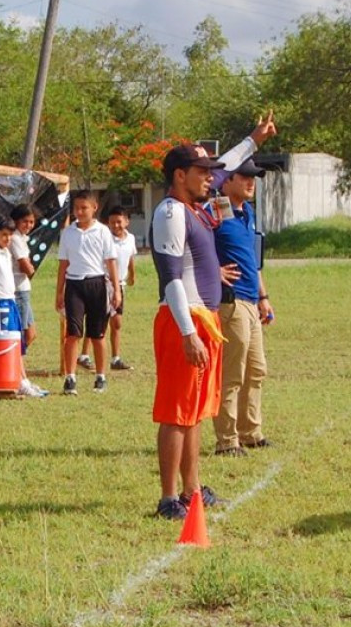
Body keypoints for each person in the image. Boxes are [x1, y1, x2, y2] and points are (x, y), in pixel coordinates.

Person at [150, 113, 276, 520]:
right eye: (202, 172)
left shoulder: (197, 205)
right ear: (180, 175)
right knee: (176, 413)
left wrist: (255, 138)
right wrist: (188, 332)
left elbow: (229, 166)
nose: (211, 178)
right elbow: (171, 277)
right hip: (183, 320)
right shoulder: (171, 212)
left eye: (211, 172)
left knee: (194, 413)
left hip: (204, 319)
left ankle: (191, 491)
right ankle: (169, 498)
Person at [209, 158, 274, 457]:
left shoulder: (247, 212)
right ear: (227, 181)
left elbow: (252, 260)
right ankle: (227, 440)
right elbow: (191, 247)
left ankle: (251, 432)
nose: (251, 182)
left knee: (257, 370)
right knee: (232, 374)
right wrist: (213, 270)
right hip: (231, 301)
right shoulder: (215, 211)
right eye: (244, 177)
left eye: (253, 177)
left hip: (251, 300)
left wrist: (264, 296)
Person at [55, 190, 121, 394]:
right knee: (72, 333)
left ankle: (100, 376)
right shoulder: (68, 233)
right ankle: (70, 377)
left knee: (97, 334)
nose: (80, 212)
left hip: (96, 284)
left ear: (94, 208)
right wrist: (59, 292)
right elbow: (63, 264)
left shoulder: (102, 232)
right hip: (74, 284)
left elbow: (111, 262)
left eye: (84, 208)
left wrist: (116, 291)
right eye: (76, 208)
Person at [79, 205, 137, 370]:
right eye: (112, 222)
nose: (115, 225)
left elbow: (130, 258)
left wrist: (132, 274)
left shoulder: (130, 239)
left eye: (119, 222)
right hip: (104, 283)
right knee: (98, 322)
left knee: (116, 322)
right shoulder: (105, 238)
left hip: (119, 285)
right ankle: (84, 355)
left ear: (126, 222)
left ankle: (115, 358)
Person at [10, 204, 39, 353]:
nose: (28, 225)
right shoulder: (15, 238)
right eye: (25, 221)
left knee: (31, 334)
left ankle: (16, 359)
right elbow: (26, 267)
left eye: (31, 222)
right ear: (16, 221)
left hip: (24, 289)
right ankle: (15, 361)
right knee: (20, 334)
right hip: (18, 290)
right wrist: (30, 268)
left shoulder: (22, 238)